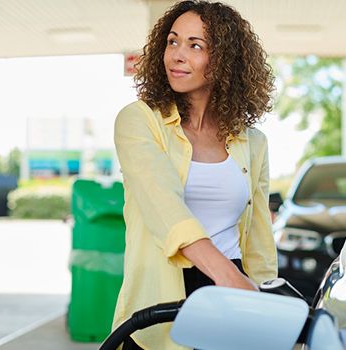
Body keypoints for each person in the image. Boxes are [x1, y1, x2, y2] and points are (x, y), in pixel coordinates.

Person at [111, 1, 277, 349]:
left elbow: (259, 240)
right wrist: (228, 276)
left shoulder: (252, 142)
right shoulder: (139, 121)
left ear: (225, 62)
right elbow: (163, 203)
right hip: (161, 301)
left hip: (230, 301)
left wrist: (265, 305)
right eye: (172, 42)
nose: (177, 55)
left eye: (195, 45)